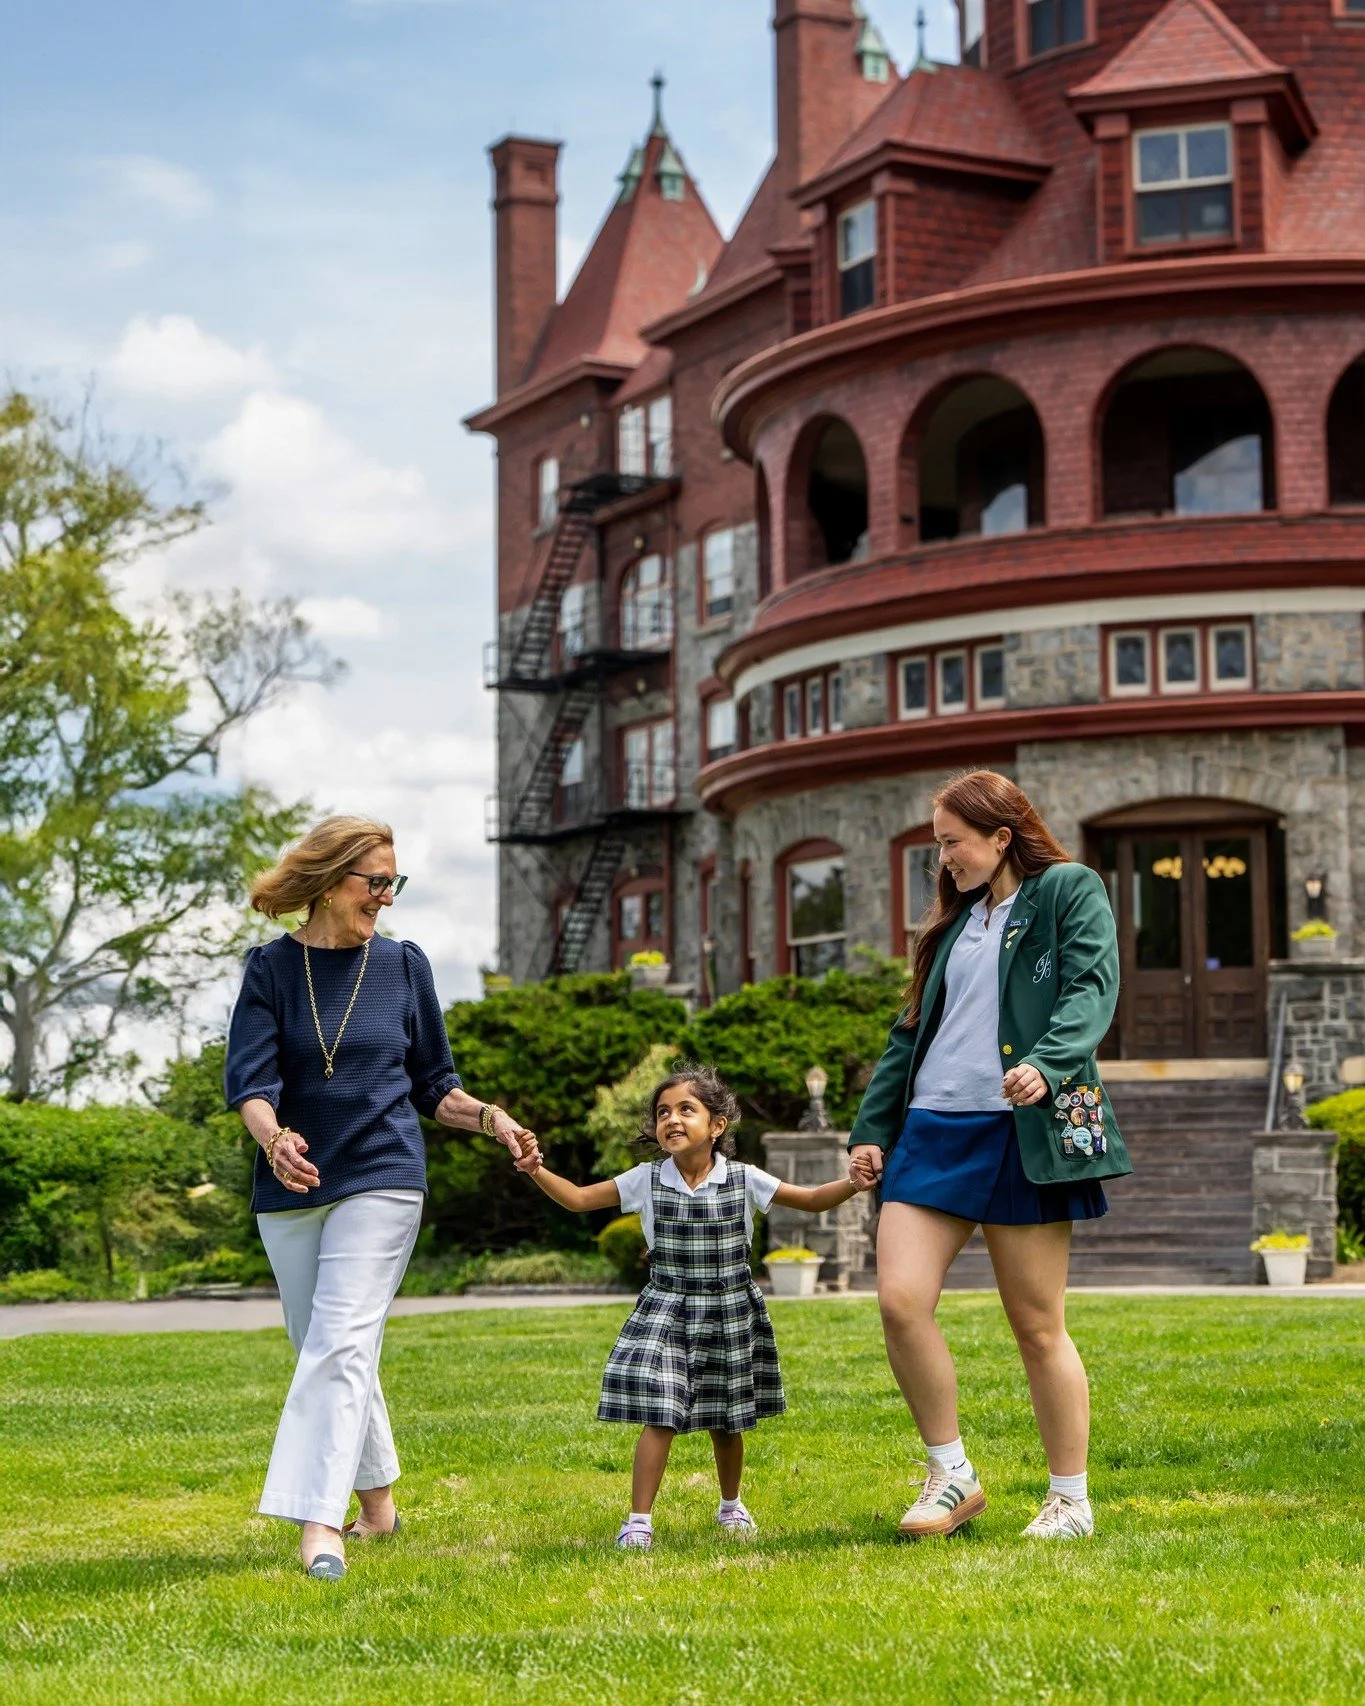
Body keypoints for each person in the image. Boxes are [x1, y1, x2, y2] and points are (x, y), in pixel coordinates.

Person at [225, 815, 539, 1580]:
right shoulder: (270, 970)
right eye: (376, 883)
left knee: (336, 1341)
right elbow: (251, 1085)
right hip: (292, 1184)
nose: (386, 898)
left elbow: (436, 1084)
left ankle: (317, 1525)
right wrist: (274, 1139)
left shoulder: (404, 966)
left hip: (384, 1174)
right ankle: (379, 1507)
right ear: (331, 883)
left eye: (394, 883)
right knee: (329, 1345)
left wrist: (490, 1118)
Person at [848, 770, 1132, 1543]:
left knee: (1036, 1324)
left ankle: (1068, 1499)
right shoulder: (950, 923)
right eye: (938, 845)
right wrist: (871, 1127)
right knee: (899, 1301)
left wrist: (1049, 1062)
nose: (943, 861)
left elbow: (1090, 988)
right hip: (934, 1128)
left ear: (1000, 836)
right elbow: (909, 1031)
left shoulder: (1067, 889)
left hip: (1027, 1125)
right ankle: (952, 1476)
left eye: (951, 843)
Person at [521, 1064, 875, 1550]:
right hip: (666, 1308)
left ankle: (731, 1506)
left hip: (730, 1310)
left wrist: (855, 1183)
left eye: (686, 1109)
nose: (672, 1119)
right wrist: (535, 1168)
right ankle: (638, 1521)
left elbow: (812, 1199)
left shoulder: (744, 1178)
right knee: (661, 1408)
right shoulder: (645, 1180)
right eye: (663, 1111)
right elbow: (580, 1199)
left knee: (726, 1419)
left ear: (717, 1126)